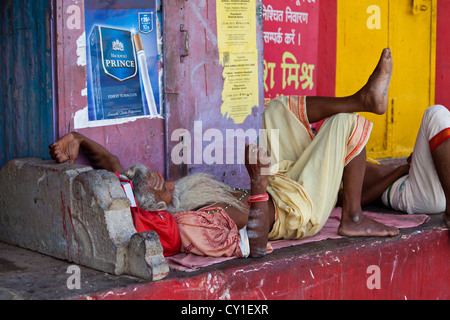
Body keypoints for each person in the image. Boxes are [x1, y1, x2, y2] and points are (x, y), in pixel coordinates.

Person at [49, 48, 398, 259]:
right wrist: (257, 179)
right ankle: (352, 218)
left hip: (280, 182)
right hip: (298, 209)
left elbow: (113, 166)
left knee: (276, 109)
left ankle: (363, 98)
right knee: (344, 125)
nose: (151, 175)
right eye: (150, 185)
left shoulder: (167, 188)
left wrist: (79, 138)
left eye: (145, 173)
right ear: (157, 204)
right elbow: (257, 240)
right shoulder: (195, 213)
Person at [337, 104, 450, 228]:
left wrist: (417, 160)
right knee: (436, 114)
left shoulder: (353, 157)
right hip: (407, 195)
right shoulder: (334, 173)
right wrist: (399, 171)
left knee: (443, 124)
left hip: (423, 188)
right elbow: (359, 201)